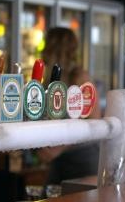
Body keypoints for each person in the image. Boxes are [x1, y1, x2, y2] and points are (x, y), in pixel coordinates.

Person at [36, 27, 102, 184]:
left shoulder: (79, 77)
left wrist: (59, 148)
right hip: (57, 161)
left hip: (83, 158)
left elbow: (94, 120)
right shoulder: (48, 79)